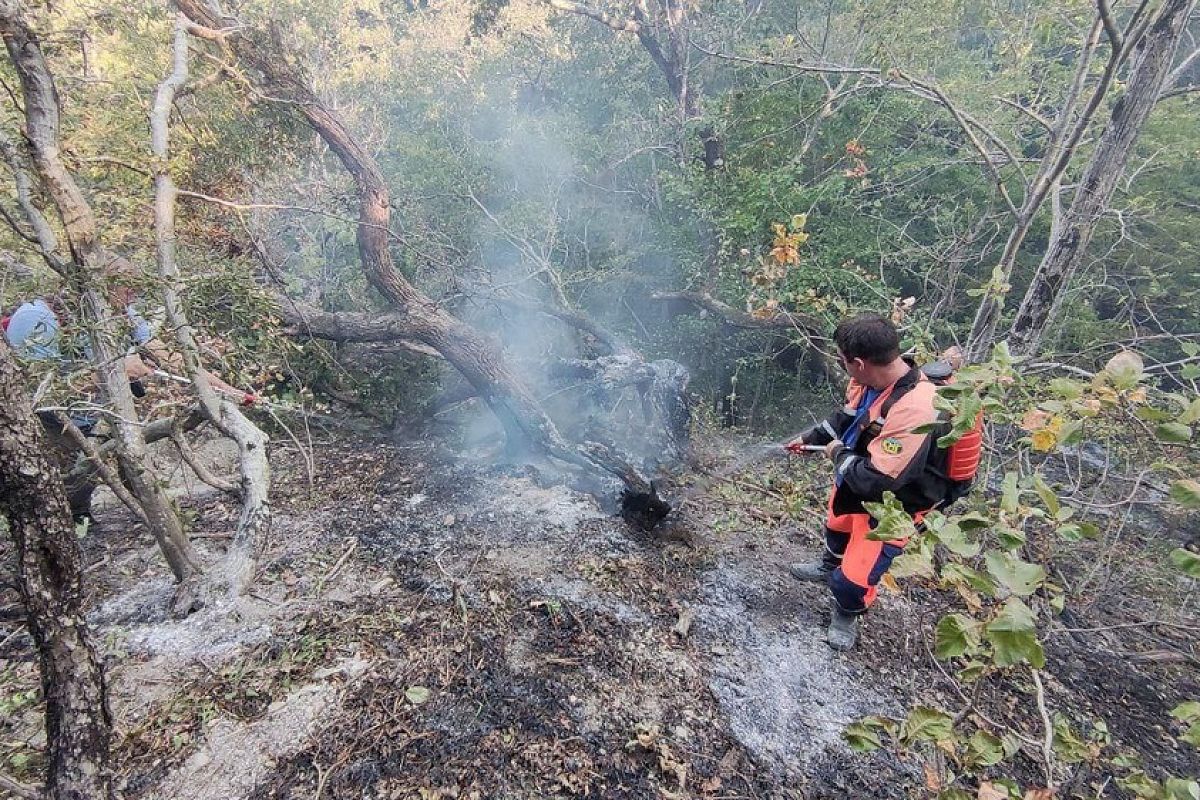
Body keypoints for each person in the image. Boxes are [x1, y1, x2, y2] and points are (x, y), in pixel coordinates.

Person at [786, 314, 952, 651]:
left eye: (842, 360)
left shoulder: (915, 408)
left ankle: (846, 612)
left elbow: (879, 481)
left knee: (854, 578)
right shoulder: (869, 381)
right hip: (856, 480)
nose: (841, 364)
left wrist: (837, 454)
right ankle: (827, 566)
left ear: (858, 362)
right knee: (837, 524)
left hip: (892, 506)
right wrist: (809, 438)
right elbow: (847, 418)